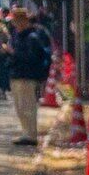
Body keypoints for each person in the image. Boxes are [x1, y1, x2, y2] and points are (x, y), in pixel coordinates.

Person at [8, 11, 56, 143]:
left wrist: (13, 53)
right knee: (20, 107)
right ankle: (26, 132)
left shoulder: (32, 37)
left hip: (27, 76)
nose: (15, 24)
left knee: (27, 106)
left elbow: (32, 58)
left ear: (23, 21)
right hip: (17, 74)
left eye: (16, 21)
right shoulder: (18, 36)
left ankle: (30, 134)